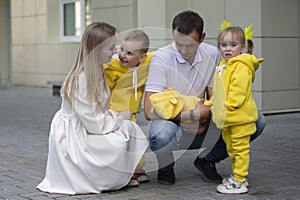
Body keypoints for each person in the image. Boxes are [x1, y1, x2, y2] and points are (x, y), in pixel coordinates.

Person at [144, 10, 266, 185]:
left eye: (190, 45)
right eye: (179, 44)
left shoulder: (214, 54)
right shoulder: (161, 58)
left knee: (256, 121)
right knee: (161, 134)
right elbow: (148, 111)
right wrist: (189, 115)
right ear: (173, 33)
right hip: (174, 120)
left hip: (204, 115)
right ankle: (166, 165)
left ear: (202, 37)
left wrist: (204, 118)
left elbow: (216, 96)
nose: (184, 51)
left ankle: (207, 160)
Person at [36, 22, 148, 194]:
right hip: (75, 135)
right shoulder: (80, 79)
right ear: (96, 50)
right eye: (111, 48)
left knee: (129, 129)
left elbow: (144, 56)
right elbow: (94, 122)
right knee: (124, 131)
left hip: (90, 125)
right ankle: (106, 178)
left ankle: (117, 176)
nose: (116, 52)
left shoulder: (98, 69)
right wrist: (119, 116)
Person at [207, 25, 264, 194]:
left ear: (243, 47)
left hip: (240, 118)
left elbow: (237, 94)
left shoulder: (241, 66)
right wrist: (212, 102)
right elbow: (219, 89)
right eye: (224, 45)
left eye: (233, 45)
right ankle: (237, 175)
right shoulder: (225, 65)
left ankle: (240, 180)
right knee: (231, 148)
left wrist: (226, 106)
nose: (228, 49)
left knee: (240, 149)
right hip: (229, 118)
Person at [105, 29, 154, 186]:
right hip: (114, 111)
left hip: (131, 112)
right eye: (122, 50)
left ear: (142, 57)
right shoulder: (113, 66)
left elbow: (164, 54)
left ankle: (137, 169)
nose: (123, 55)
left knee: (135, 140)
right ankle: (121, 171)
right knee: (120, 142)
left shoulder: (147, 62)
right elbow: (104, 90)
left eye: (129, 53)